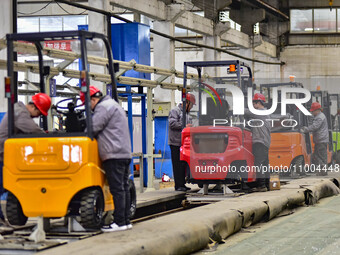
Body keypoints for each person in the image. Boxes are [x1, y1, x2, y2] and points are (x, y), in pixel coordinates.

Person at [80, 86, 132, 232]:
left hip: (113, 154)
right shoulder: (114, 105)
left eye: (88, 104)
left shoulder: (103, 108)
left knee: (117, 189)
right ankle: (126, 221)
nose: (89, 108)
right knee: (123, 188)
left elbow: (92, 128)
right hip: (124, 152)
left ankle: (120, 222)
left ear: (93, 99)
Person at [0, 93, 51, 225]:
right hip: (2, 155)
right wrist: (49, 136)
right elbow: (33, 130)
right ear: (34, 107)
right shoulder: (20, 113)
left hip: (6, 155)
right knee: (1, 186)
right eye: (39, 113)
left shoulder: (18, 109)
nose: (38, 116)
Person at [168, 93, 195, 192]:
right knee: (177, 165)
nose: (191, 108)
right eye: (191, 105)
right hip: (175, 143)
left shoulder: (187, 114)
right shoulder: (175, 111)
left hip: (184, 144)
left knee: (183, 164)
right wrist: (185, 126)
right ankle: (178, 185)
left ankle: (182, 184)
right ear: (186, 103)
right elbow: (172, 124)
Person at [244, 93, 271, 192]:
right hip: (265, 141)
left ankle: (261, 186)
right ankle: (267, 185)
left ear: (258, 103)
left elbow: (246, 112)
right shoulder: (265, 113)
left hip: (260, 141)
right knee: (264, 164)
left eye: (253, 103)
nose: (253, 106)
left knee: (258, 164)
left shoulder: (260, 112)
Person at [301, 102, 329, 176]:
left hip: (321, 140)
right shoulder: (320, 116)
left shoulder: (319, 117)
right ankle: (323, 171)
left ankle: (323, 171)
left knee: (319, 155)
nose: (312, 112)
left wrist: (305, 129)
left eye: (313, 111)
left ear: (317, 110)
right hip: (321, 139)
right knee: (319, 155)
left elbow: (315, 127)